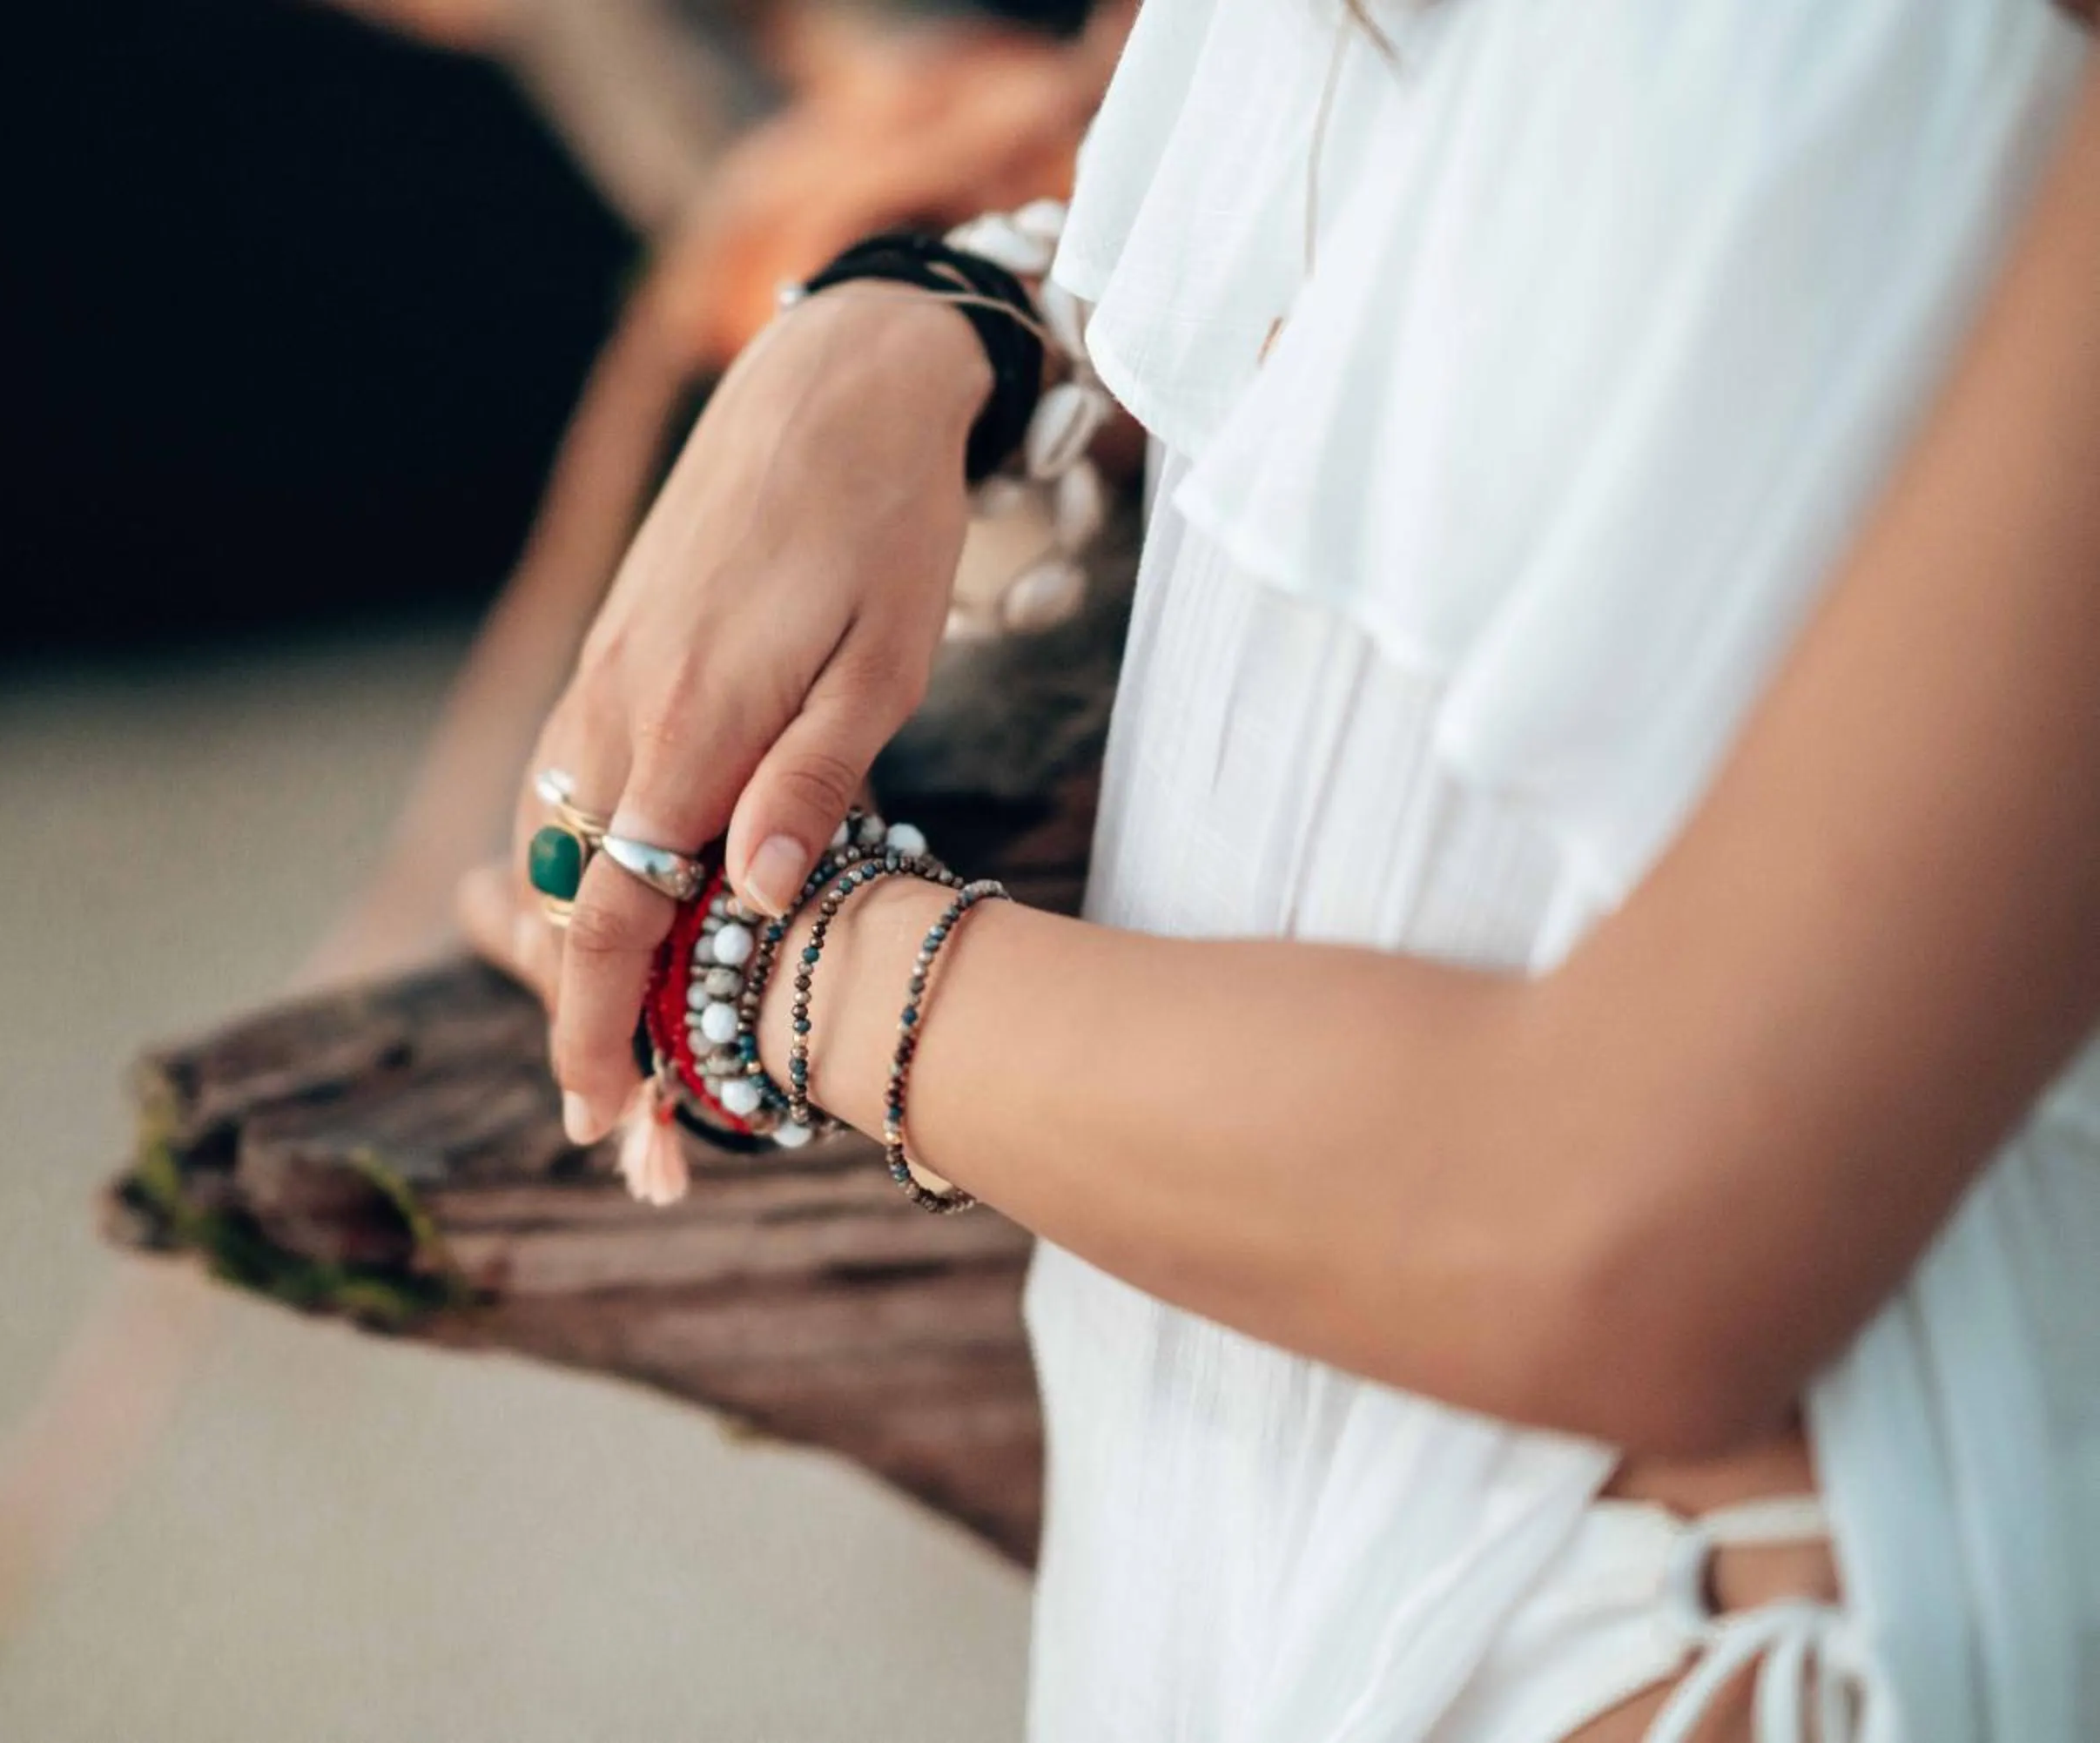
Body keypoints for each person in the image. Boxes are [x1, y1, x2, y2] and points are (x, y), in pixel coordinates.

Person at [474, 1, 2100, 1735]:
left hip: (1669, 1612)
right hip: (1194, 1489)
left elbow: (1635, 1228)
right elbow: (1502, 227)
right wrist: (927, 329)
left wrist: (766, 961)